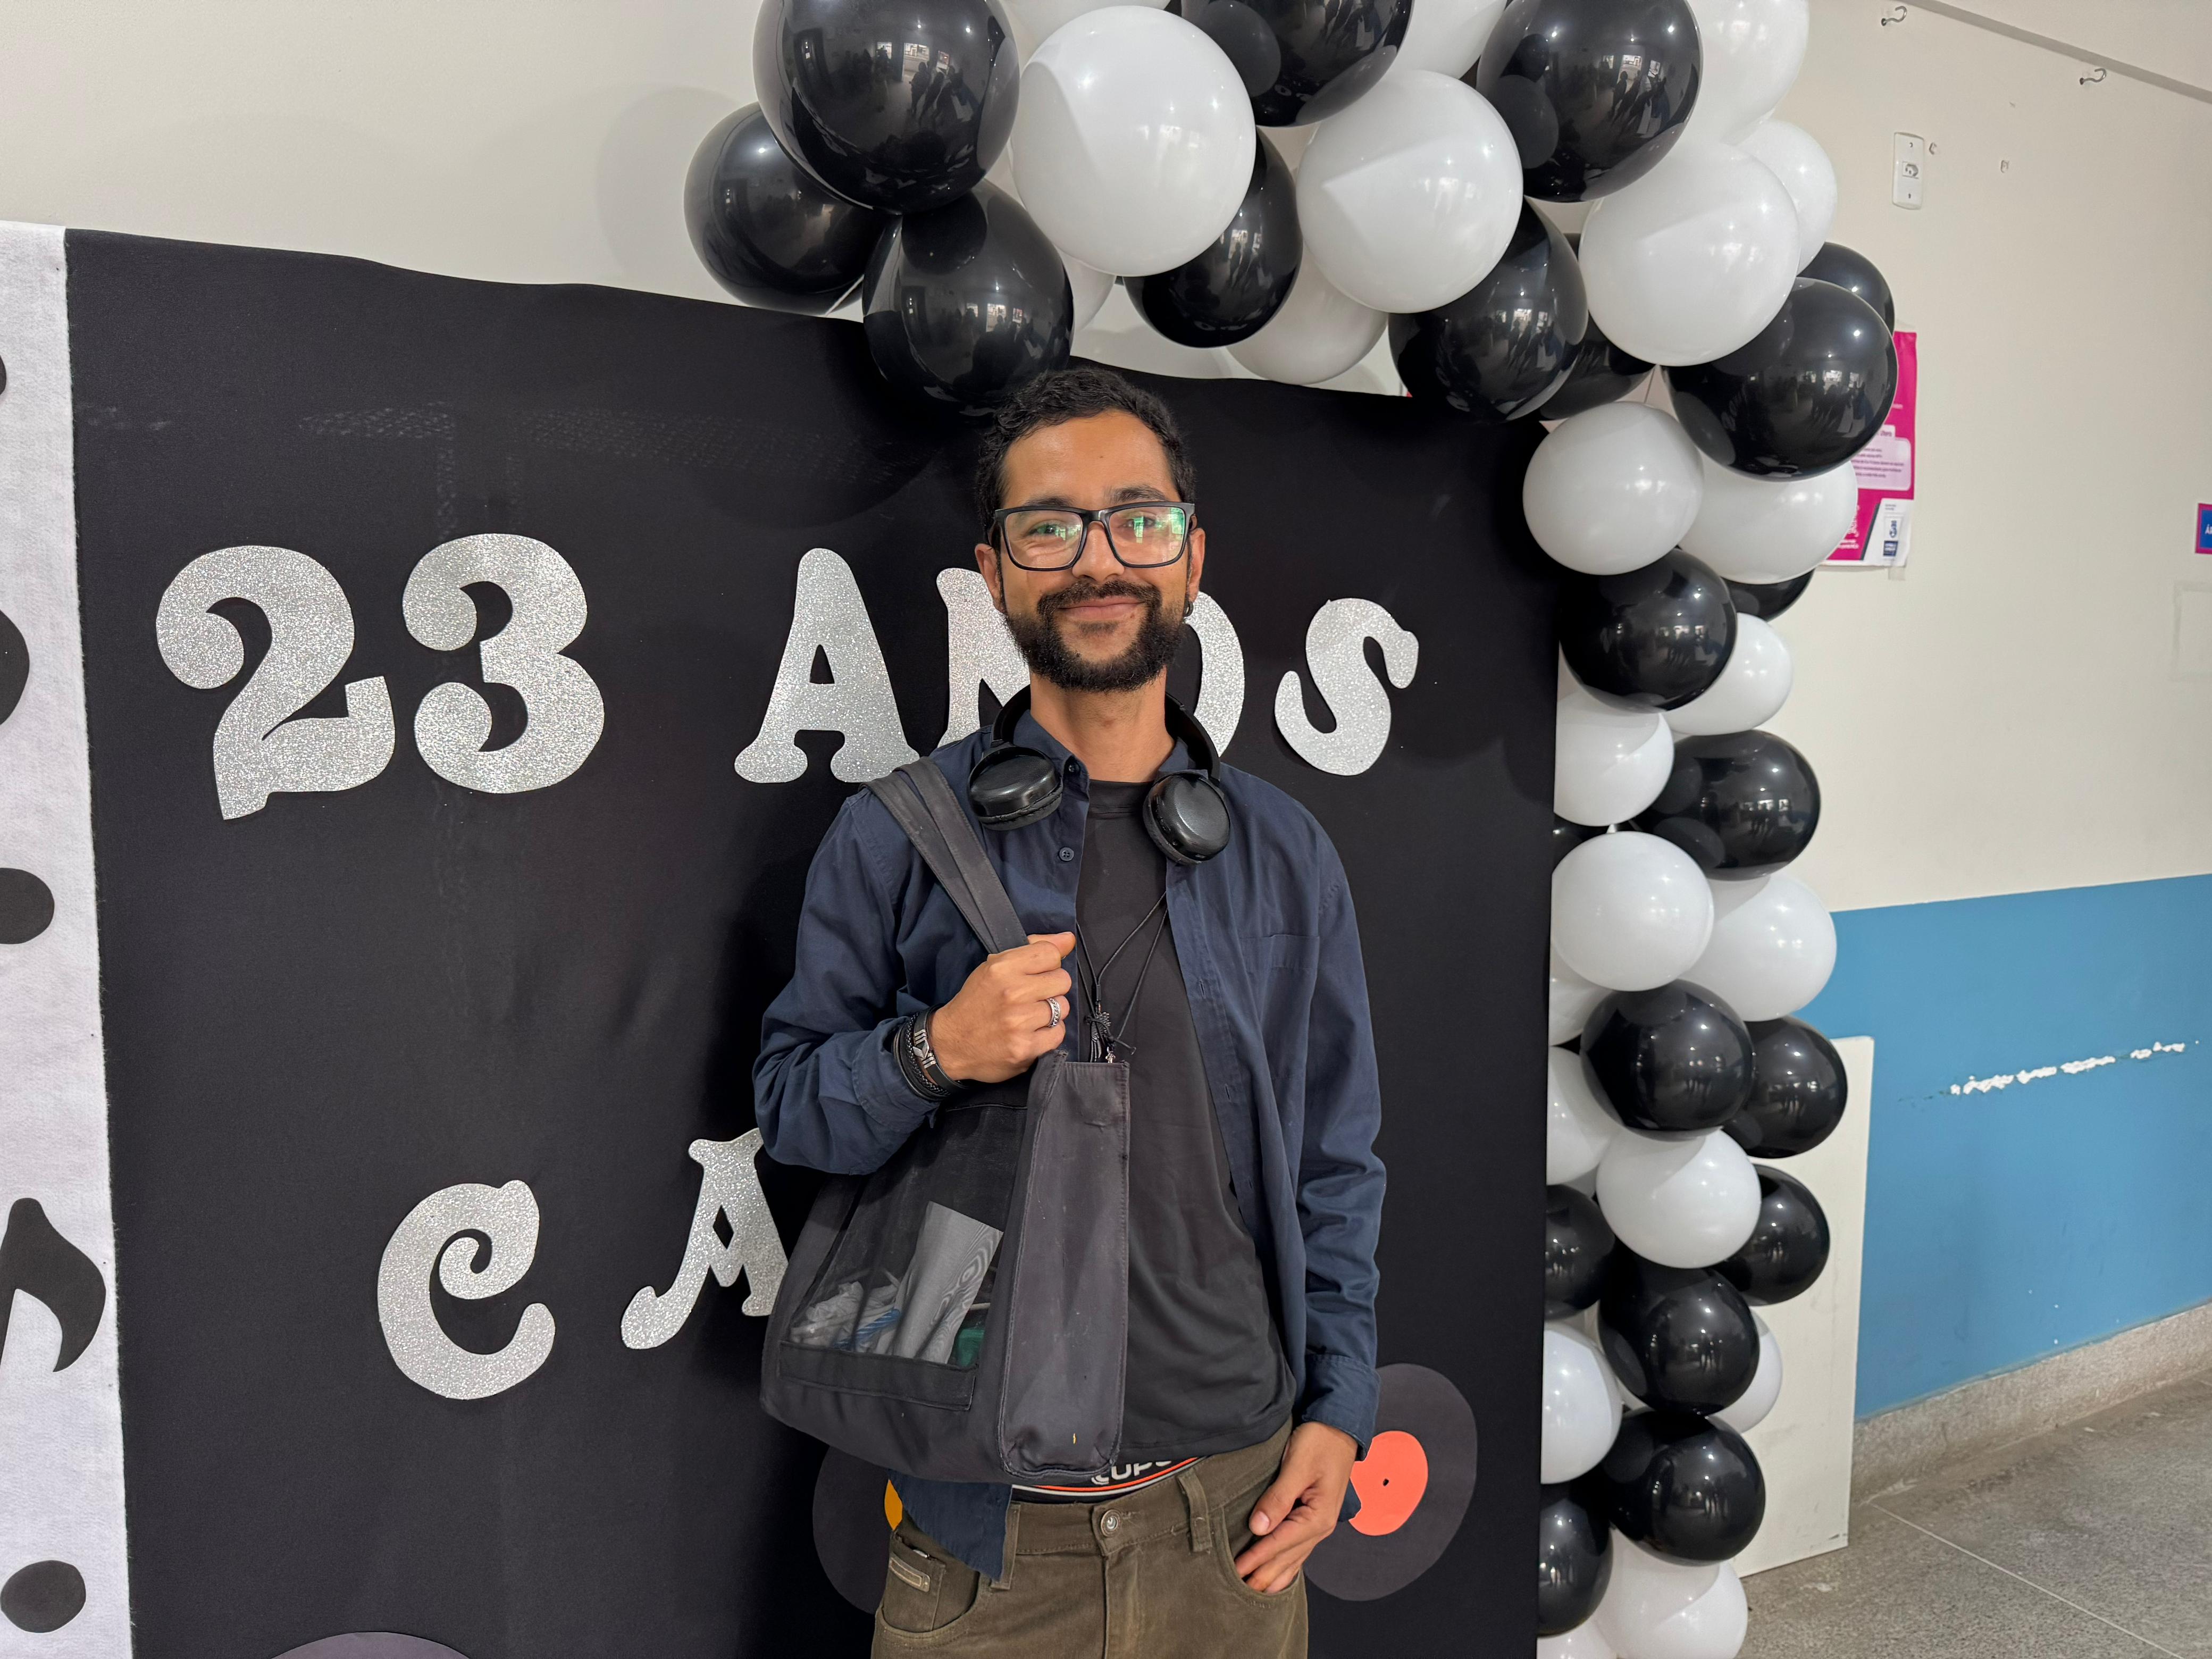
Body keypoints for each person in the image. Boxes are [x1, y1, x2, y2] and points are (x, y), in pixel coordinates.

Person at [755, 366, 1385, 1657]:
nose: (1098, 560)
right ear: (995, 574)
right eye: (1050, 526)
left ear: (1190, 557)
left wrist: (1341, 1404)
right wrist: (934, 1051)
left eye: (1137, 520)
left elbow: (1335, 1161)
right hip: (988, 1550)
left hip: (1236, 1518)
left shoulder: (1285, 852)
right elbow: (792, 1112)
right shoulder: (890, 838)